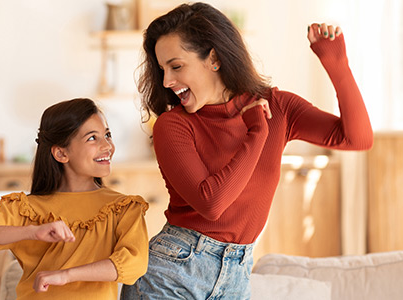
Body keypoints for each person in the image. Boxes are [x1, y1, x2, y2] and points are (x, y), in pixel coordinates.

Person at [121, 2, 373, 299]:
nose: (167, 81)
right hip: (172, 272)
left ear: (213, 58)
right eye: (162, 69)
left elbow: (357, 139)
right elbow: (212, 204)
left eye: (176, 66)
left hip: (237, 273)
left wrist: (337, 64)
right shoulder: (173, 126)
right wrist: (256, 134)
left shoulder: (277, 106)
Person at [0, 98, 149, 300]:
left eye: (107, 135)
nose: (107, 145)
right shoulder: (25, 208)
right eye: (92, 138)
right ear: (61, 153)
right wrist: (32, 232)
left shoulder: (123, 207)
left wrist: (67, 275)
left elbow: (134, 264)